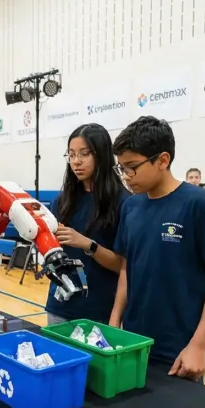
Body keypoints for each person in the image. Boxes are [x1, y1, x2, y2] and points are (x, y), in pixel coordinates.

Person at [110, 116, 205, 382]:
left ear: (163, 160)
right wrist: (114, 324)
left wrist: (198, 346)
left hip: (181, 351)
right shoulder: (130, 207)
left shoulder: (199, 204)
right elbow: (126, 269)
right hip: (134, 343)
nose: (126, 177)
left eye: (132, 167)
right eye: (121, 169)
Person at [48, 123, 129, 323]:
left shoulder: (123, 202)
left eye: (84, 154)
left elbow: (123, 266)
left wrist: (87, 244)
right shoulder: (62, 201)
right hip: (60, 306)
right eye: (72, 155)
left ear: (101, 154)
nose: (76, 162)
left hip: (99, 311)